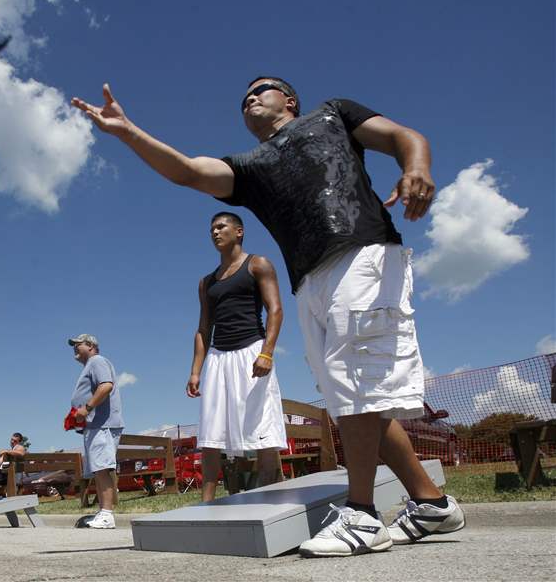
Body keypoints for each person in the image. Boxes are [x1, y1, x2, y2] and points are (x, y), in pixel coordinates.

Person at [72, 78, 465, 556]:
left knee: (357, 388)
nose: (251, 98)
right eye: (243, 98)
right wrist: (129, 132)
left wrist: (416, 165)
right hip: (310, 279)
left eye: (263, 90)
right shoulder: (250, 167)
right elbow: (190, 171)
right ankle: (431, 503)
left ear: (290, 100)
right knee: (353, 398)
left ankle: (362, 516)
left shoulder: (332, 114)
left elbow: (406, 136)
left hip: (361, 253)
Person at [188, 211, 288, 501]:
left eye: (221, 227)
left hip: (252, 352)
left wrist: (267, 353)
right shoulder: (206, 282)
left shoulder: (258, 264)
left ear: (239, 231)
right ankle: (206, 502)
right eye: (212, 229)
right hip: (218, 357)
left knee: (261, 426)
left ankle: (269, 495)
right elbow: (204, 328)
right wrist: (195, 371)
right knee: (211, 431)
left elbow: (276, 309)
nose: (215, 233)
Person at [68, 333, 124, 529]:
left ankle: (107, 514)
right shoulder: (90, 364)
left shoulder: (97, 361)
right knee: (98, 469)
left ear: (90, 345)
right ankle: (103, 512)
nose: (74, 347)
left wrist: (87, 408)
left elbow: (106, 385)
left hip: (102, 424)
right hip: (95, 425)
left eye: (78, 344)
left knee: (102, 468)